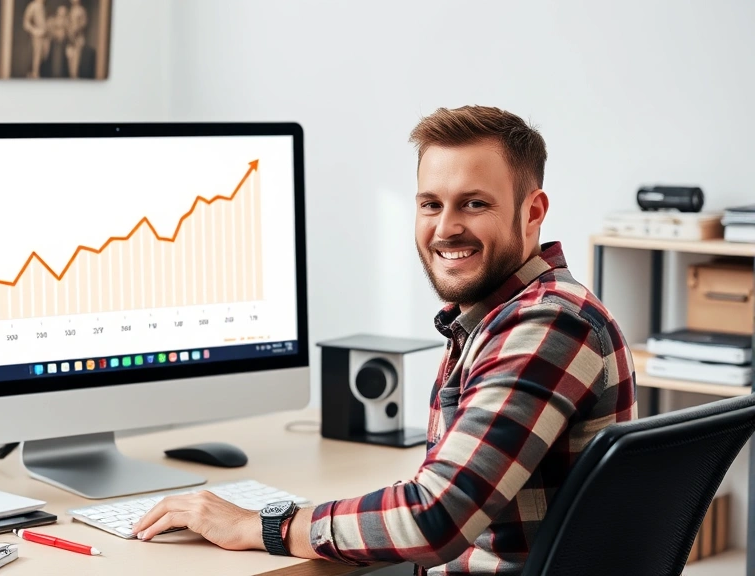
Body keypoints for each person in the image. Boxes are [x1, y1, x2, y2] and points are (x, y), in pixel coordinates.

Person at [130, 105, 638, 575]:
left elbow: (432, 518)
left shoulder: (547, 325)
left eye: (474, 203)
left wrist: (260, 525)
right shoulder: (501, 316)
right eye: (430, 204)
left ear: (532, 212)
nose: (446, 228)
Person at [22, 0, 48, 78]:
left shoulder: (42, 6)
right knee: (36, 55)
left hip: (44, 36)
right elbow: (26, 23)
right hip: (37, 36)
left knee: (43, 56)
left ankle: (36, 73)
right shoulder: (33, 6)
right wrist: (35, 31)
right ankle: (34, 74)